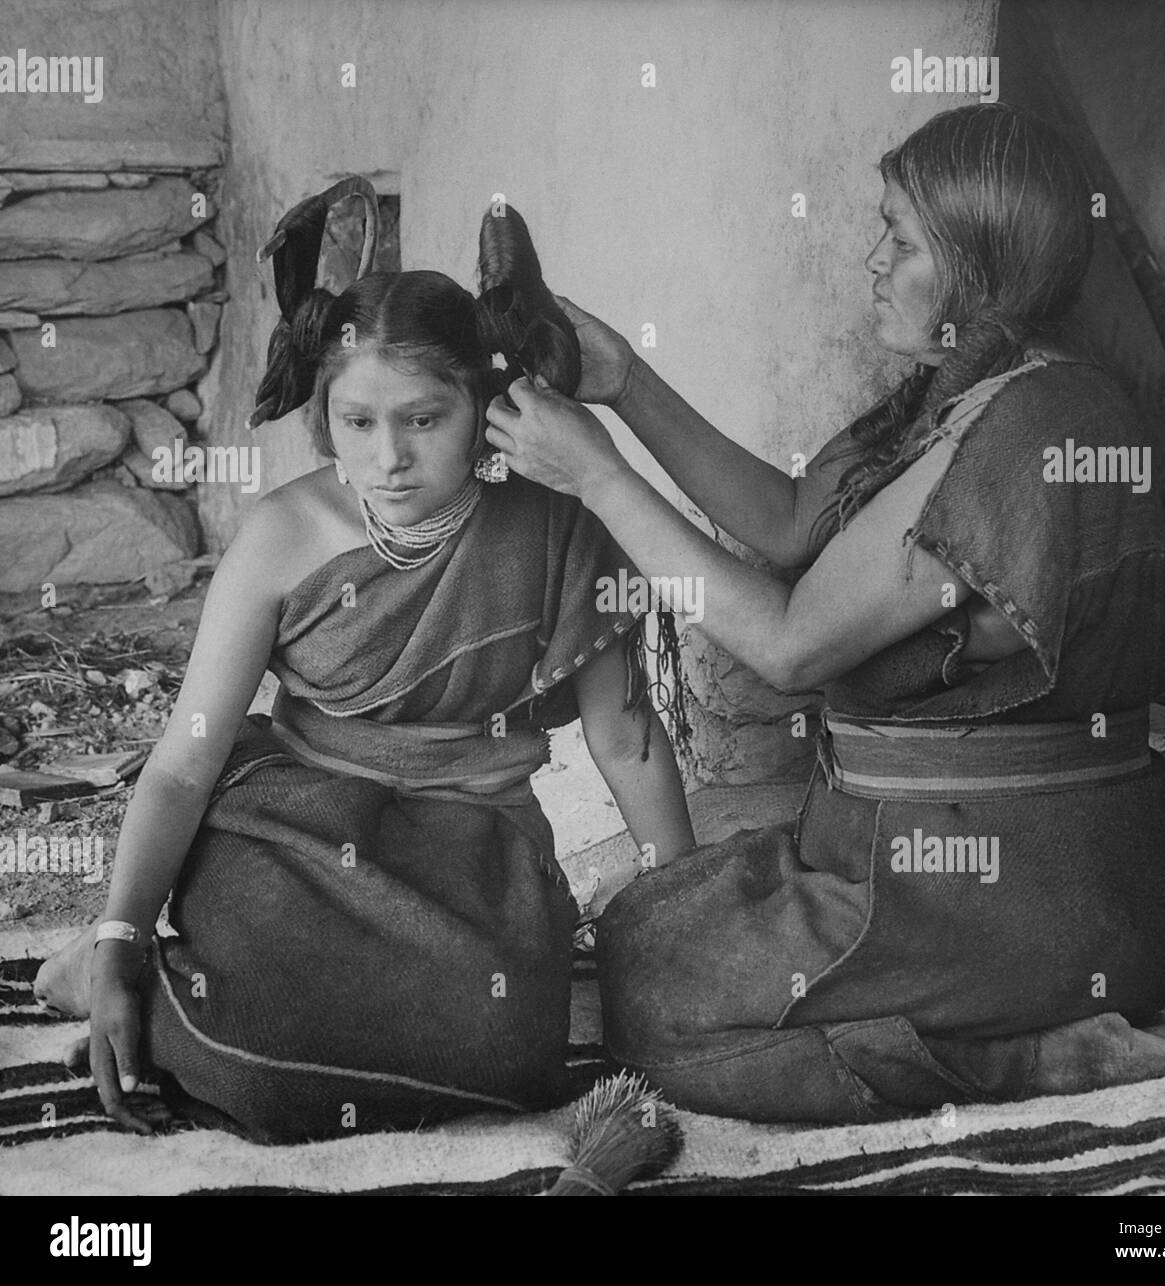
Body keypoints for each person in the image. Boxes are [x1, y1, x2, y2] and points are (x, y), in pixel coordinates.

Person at [484, 103, 1165, 1122]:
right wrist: (624, 384)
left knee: (660, 1005)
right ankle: (979, 1014)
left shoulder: (1034, 426)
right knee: (638, 924)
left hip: (1026, 898)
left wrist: (597, 477)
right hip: (948, 860)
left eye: (903, 239)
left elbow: (788, 645)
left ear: (979, 266)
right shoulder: (964, 389)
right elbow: (791, 520)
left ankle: (1034, 1059)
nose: (873, 259)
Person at [35, 182, 694, 1142]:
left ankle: (164, 998)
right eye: (357, 423)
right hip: (296, 821)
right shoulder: (285, 534)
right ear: (324, 416)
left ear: (482, 403)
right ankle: (105, 973)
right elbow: (184, 760)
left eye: (424, 419)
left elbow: (626, 737)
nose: (388, 457)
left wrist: (681, 915)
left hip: (477, 833)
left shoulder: (559, 522)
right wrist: (122, 931)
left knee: (506, 1047)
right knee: (264, 1051)